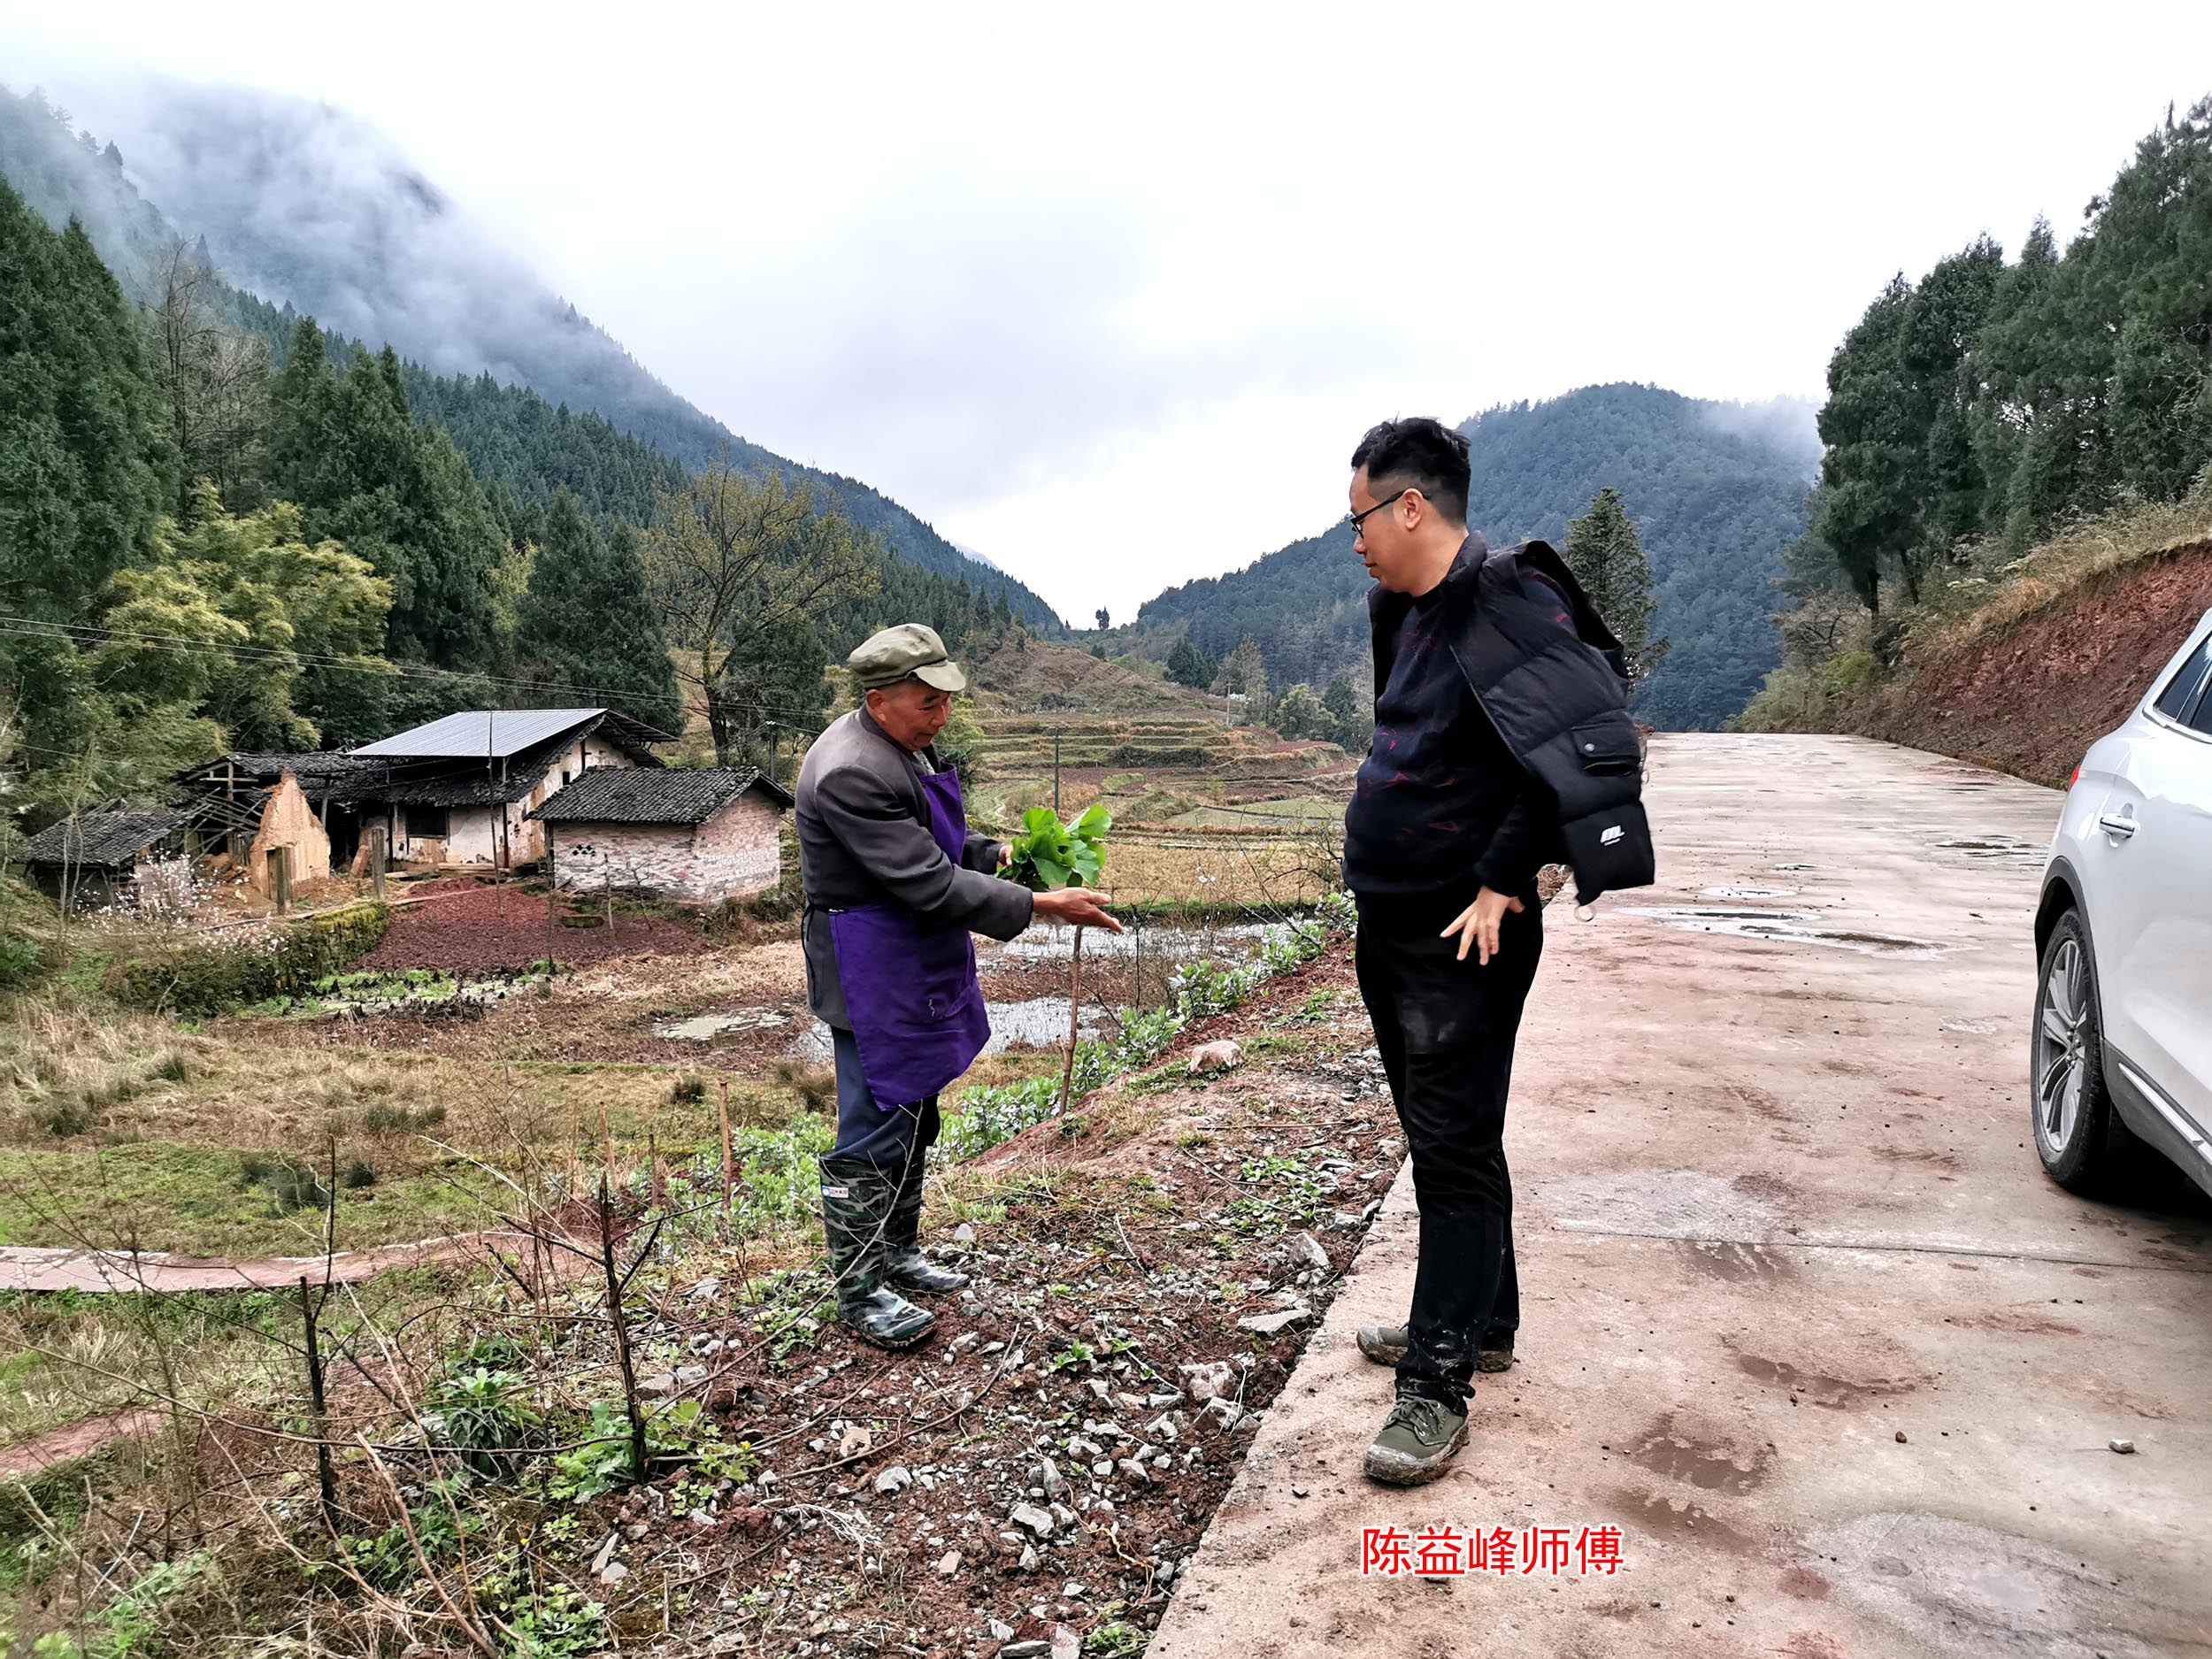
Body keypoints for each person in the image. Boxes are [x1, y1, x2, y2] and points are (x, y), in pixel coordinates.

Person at [1340, 419, 1652, 1485]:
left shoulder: (1510, 596)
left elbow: (1593, 729)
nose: (1356, 543)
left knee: (1455, 1151)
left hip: (1460, 932)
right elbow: (1418, 739)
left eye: (1361, 520)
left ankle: (1434, 1387)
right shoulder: (1400, 606)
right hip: (1389, 919)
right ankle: (1484, 1319)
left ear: (1411, 507)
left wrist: (1504, 874)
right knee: (1450, 1139)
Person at [795, 623, 1121, 1348]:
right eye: (926, 702)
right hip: (869, 959)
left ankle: (898, 1251)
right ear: (879, 700)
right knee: (876, 1120)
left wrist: (1004, 851)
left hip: (910, 949)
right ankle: (859, 1287)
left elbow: (942, 843)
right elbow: (929, 879)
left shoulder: (903, 746)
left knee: (917, 1109)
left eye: (945, 700)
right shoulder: (852, 770)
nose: (941, 715)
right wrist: (1040, 902)